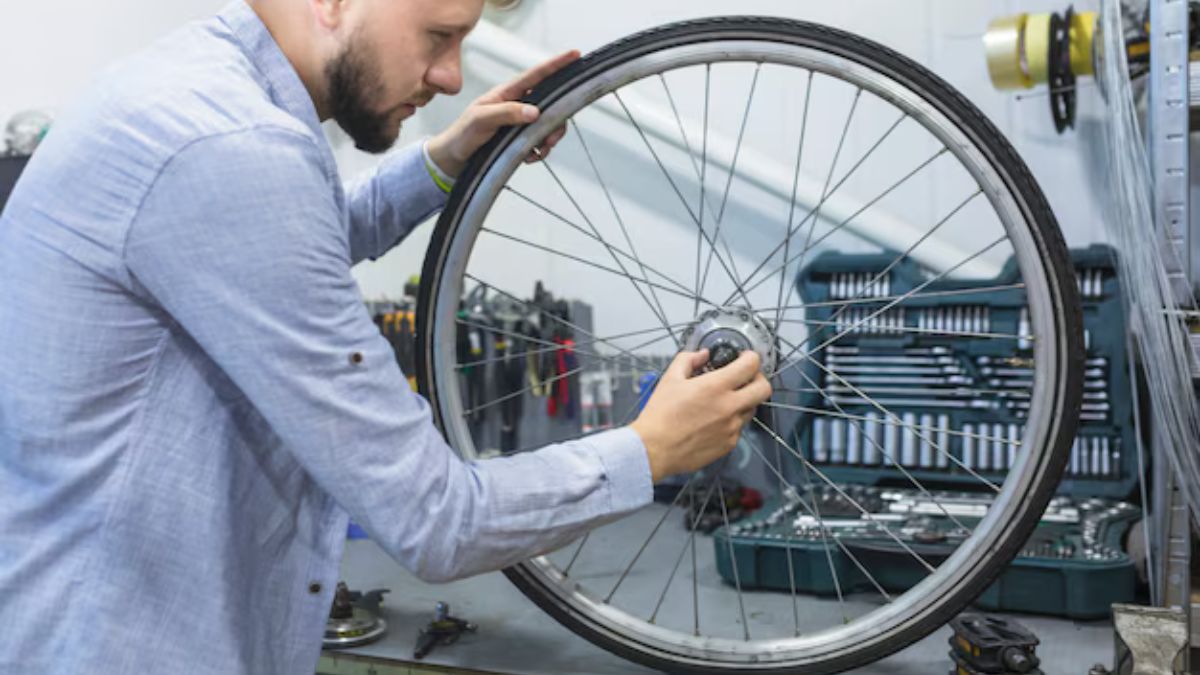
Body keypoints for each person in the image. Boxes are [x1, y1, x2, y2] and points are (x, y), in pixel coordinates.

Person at [0, 0, 773, 672]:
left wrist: (444, 162)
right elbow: (438, 519)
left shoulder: (194, 91)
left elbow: (294, 243)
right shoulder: (230, 147)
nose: (450, 76)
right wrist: (649, 450)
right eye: (439, 35)